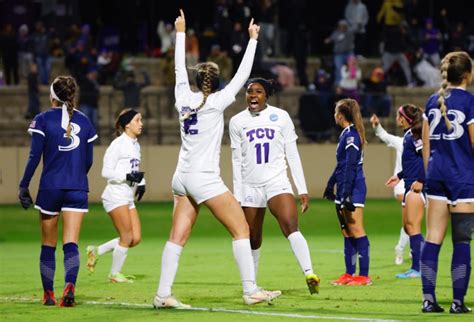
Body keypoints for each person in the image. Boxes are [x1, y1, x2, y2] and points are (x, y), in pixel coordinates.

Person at [153, 10, 276, 309]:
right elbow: (243, 76)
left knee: (177, 237)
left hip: (181, 176)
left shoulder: (183, 96)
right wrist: (253, 41)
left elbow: (179, 70)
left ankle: (162, 294)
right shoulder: (218, 101)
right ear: (217, 82)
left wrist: (180, 32)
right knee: (241, 230)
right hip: (203, 177)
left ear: (197, 80)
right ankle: (250, 291)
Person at [229, 77, 320, 295]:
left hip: (276, 181)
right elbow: (236, 160)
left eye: (258, 91)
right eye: (249, 91)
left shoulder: (281, 117)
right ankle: (252, 286)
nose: (253, 95)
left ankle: (309, 273)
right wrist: (237, 194)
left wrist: (302, 188)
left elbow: (292, 154)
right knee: (252, 237)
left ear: (267, 95)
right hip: (250, 185)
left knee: (290, 226)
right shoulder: (236, 121)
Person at [18, 75, 98, 306]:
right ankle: (70, 286)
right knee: (71, 243)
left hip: (50, 187)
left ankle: (49, 295)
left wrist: (24, 185)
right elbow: (88, 160)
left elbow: (34, 156)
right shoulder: (85, 121)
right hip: (77, 187)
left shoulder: (42, 119)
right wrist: (75, 176)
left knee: (48, 244)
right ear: (72, 95)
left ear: (52, 95)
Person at [420, 51, 474, 314]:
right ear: (468, 75)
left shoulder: (432, 101)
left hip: (437, 177)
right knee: (462, 241)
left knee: (433, 238)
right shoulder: (470, 102)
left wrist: (431, 175)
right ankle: (458, 302)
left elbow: (427, 145)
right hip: (463, 179)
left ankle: (428, 300)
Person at [86, 108, 145, 283]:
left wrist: (141, 182)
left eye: (141, 120)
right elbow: (106, 172)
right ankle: (114, 274)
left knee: (135, 239)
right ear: (127, 124)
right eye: (137, 120)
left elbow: (133, 170)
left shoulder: (135, 144)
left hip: (127, 196)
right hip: (115, 195)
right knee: (126, 237)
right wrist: (128, 177)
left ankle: (96, 251)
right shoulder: (118, 144)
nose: (141, 124)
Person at [323, 98, 371, 286]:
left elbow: (351, 165)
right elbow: (341, 165)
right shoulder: (346, 134)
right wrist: (330, 184)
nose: (334, 114)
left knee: (357, 229)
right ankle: (349, 273)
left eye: (336, 111)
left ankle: (364, 276)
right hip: (344, 186)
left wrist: (347, 192)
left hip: (353, 187)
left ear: (341, 115)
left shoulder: (351, 135)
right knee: (347, 231)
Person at [385, 104, 425, 279]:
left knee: (413, 226)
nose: (396, 119)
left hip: (417, 187)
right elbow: (412, 162)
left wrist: (422, 180)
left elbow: (427, 157)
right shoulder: (409, 136)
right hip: (409, 184)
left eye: (398, 116)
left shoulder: (415, 137)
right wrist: (400, 176)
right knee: (409, 227)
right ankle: (418, 267)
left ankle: (419, 267)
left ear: (404, 119)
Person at [369, 114, 409, 266]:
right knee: (410, 220)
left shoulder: (424, 143)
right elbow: (384, 135)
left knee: (411, 222)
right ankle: (405, 249)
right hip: (401, 185)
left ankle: (404, 248)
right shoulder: (402, 142)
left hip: (417, 185)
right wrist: (377, 125)